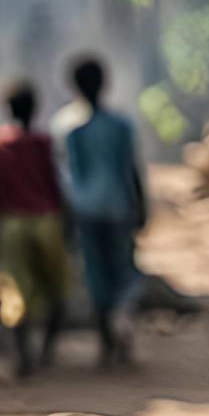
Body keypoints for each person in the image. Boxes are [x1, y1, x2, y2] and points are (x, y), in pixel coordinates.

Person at [0, 80, 69, 377]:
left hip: (13, 223)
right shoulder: (44, 143)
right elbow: (54, 183)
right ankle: (46, 350)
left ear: (7, 109)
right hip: (45, 220)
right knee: (56, 288)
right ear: (35, 108)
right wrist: (65, 220)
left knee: (15, 292)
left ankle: (24, 356)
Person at [63, 56, 146, 367]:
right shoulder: (121, 126)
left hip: (87, 210)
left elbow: (74, 176)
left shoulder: (75, 133)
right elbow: (130, 171)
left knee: (96, 274)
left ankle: (106, 345)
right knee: (123, 270)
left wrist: (69, 215)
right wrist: (141, 206)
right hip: (118, 207)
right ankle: (122, 319)